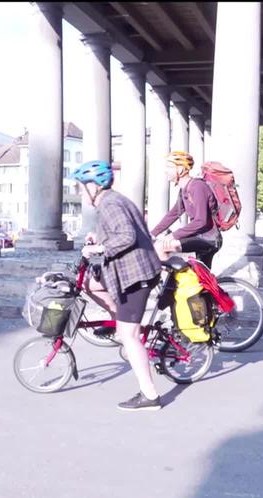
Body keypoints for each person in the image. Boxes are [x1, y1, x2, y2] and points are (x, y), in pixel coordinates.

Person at [73, 160, 164, 411]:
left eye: (82, 187)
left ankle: (150, 395)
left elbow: (127, 236)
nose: (81, 192)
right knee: (92, 284)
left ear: (95, 186)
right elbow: (126, 229)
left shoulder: (109, 204)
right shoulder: (113, 199)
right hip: (136, 270)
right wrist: (99, 236)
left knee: (129, 337)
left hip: (136, 275)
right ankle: (121, 320)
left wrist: (100, 247)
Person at [150, 151, 222, 269]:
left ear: (181, 169)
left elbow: (201, 221)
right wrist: (152, 234)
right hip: (200, 237)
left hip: (209, 239)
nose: (166, 170)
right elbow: (173, 214)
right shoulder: (185, 189)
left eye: (169, 167)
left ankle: (174, 283)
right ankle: (176, 283)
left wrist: (173, 236)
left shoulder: (198, 187)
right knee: (201, 282)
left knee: (161, 247)